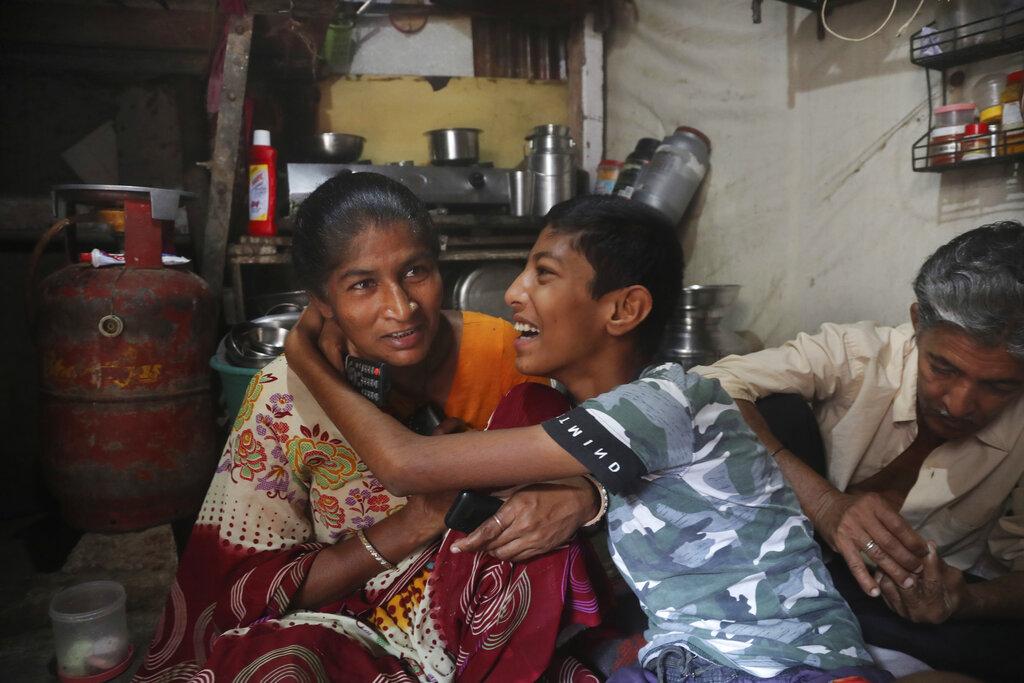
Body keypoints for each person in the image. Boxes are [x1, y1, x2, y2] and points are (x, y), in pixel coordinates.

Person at [285, 195, 896, 683]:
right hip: (694, 658)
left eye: (543, 275)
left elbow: (403, 464)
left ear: (623, 310)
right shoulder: (611, 410)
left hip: (772, 667)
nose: (515, 292)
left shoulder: (656, 404)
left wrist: (305, 357)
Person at [134, 172, 606, 682]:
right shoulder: (285, 398)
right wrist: (419, 519)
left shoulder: (506, 357)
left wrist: (582, 494)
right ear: (321, 302)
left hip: (484, 627)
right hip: (338, 635)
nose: (401, 308)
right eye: (362, 285)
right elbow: (244, 590)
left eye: (416, 271)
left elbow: (612, 450)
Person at [691, 221, 1024, 680]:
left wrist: (966, 601)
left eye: (998, 385)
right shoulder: (859, 354)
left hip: (932, 615)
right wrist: (825, 503)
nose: (959, 403)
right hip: (793, 572)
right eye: (942, 367)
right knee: (772, 412)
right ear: (916, 324)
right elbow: (704, 387)